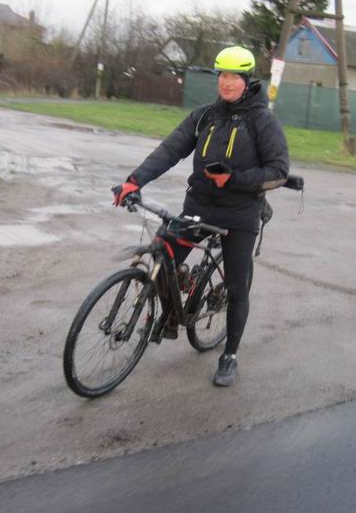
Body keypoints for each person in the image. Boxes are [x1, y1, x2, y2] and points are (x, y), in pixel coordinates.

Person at [113, 46, 289, 386]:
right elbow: (171, 148)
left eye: (234, 76)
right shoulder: (206, 115)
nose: (226, 82)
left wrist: (235, 180)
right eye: (222, 74)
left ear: (246, 80)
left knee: (238, 287)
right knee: (161, 252)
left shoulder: (261, 121)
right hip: (199, 207)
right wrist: (134, 181)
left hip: (240, 214)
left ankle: (230, 355)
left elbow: (279, 171)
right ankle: (171, 317)